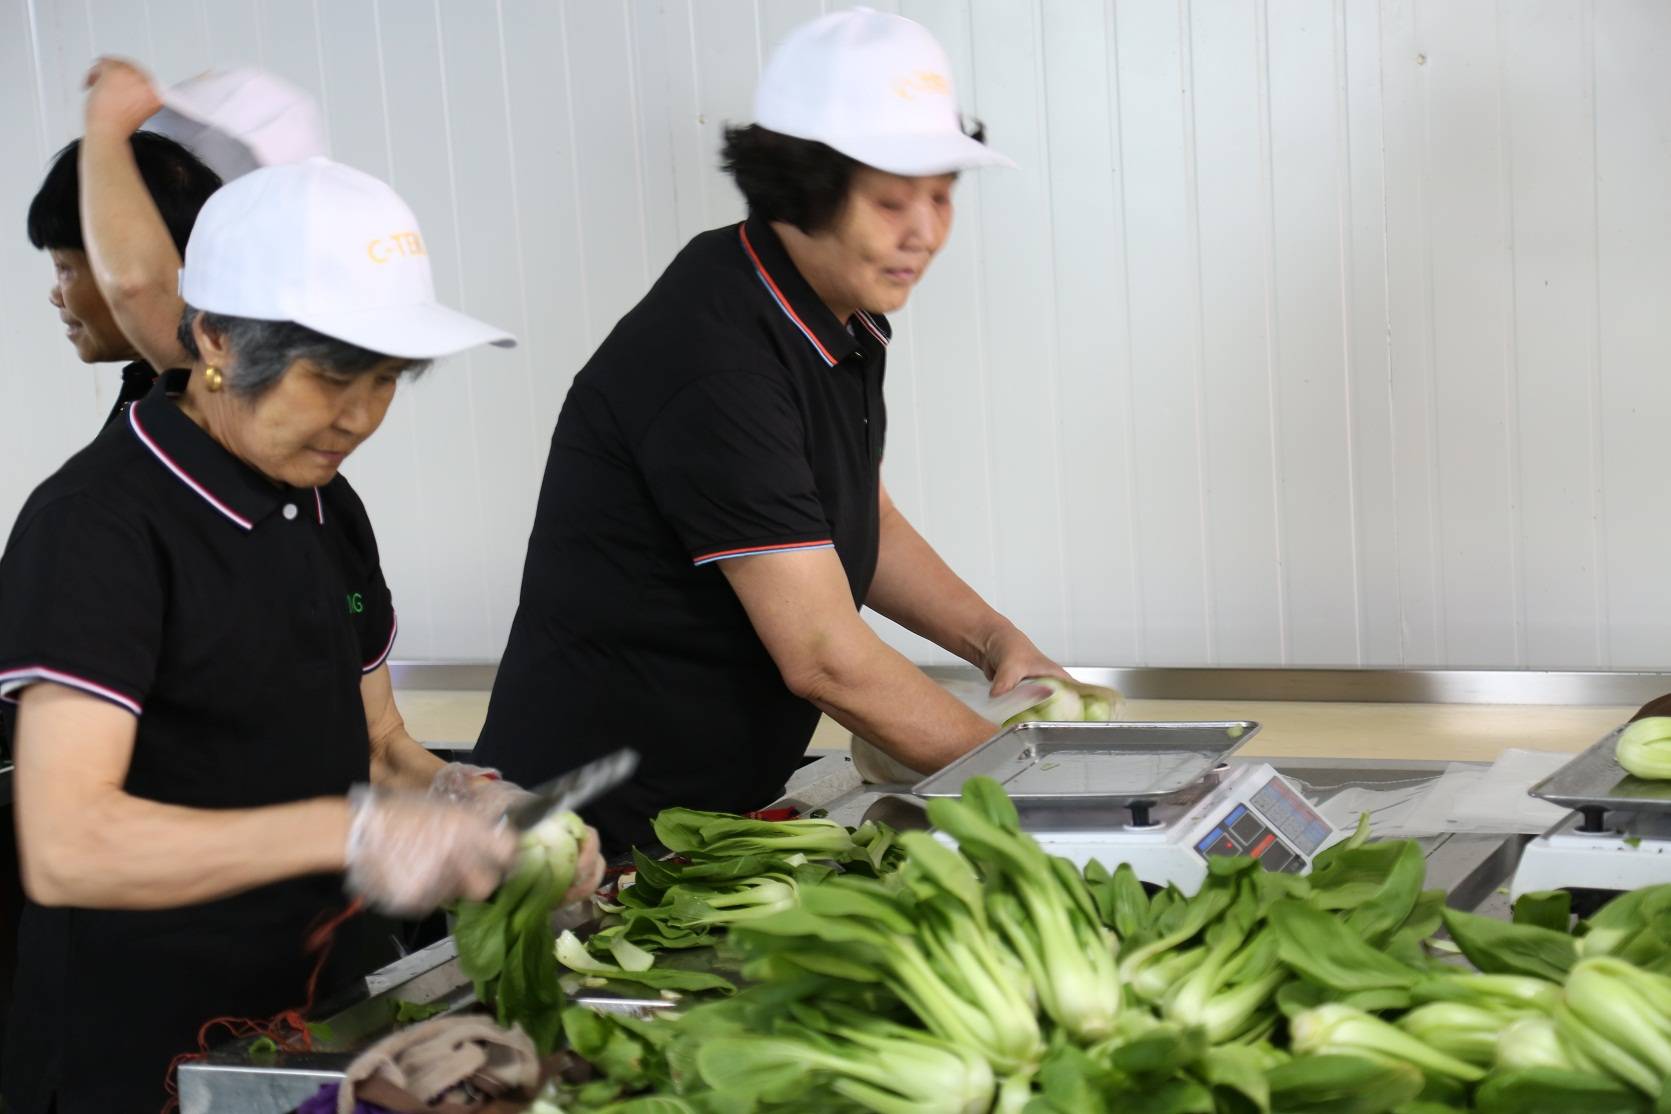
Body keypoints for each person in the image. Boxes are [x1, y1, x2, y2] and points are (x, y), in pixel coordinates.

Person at [0, 157, 602, 1113]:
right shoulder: (97, 528)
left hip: (323, 1018)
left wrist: (475, 800)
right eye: (330, 379)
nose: (360, 417)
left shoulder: (325, 505)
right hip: (145, 1051)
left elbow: (378, 744)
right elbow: (68, 843)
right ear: (217, 342)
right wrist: (353, 831)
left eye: (388, 379)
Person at [475, 8, 1067, 852]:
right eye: (892, 201)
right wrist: (1038, 784)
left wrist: (997, 642)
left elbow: (860, 513)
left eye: (941, 197)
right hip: (593, 837)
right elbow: (824, 656)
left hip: (713, 812)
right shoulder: (714, 357)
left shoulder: (832, 314)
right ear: (800, 189)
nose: (925, 233)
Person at [26, 58, 223, 427]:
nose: (56, 294)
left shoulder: (215, 389)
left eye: (65, 268)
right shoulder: (152, 389)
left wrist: (105, 129)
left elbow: (137, 282)